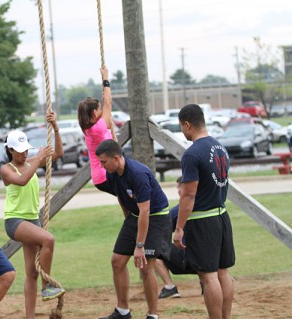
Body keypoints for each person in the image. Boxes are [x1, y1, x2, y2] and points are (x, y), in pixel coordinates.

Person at [96, 139, 171, 319]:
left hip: (155, 217)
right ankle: (123, 311)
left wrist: (139, 245)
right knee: (117, 261)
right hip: (135, 216)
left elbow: (146, 210)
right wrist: (128, 220)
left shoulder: (138, 174)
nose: (102, 166)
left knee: (145, 267)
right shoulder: (113, 172)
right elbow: (122, 197)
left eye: (104, 162)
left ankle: (153, 314)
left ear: (116, 158)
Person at [0, 112, 65, 319]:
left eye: (26, 150)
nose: (24, 154)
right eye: (19, 151)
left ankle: (30, 316)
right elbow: (21, 181)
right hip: (15, 221)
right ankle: (47, 287)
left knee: (31, 273)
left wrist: (55, 128)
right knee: (49, 239)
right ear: (10, 150)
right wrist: (38, 158)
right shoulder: (6, 169)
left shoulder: (31, 163)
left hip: (32, 220)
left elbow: (59, 153)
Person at [174, 104, 235, 319]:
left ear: (187, 124)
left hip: (203, 221)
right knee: (223, 273)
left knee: (209, 277)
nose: (182, 131)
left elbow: (188, 196)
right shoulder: (220, 148)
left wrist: (179, 227)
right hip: (222, 216)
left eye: (182, 127)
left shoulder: (192, 154)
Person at [155, 177, 198, 299]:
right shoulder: (207, 205)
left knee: (151, 248)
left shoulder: (177, 211)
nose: (178, 190)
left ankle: (170, 287)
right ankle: (207, 282)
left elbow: (161, 231)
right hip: (208, 261)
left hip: (187, 259)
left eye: (180, 187)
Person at [77, 66, 114, 195]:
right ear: (94, 112)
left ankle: (130, 215)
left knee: (125, 197)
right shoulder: (97, 129)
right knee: (132, 195)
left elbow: (107, 107)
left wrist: (105, 98)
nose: (101, 110)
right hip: (105, 175)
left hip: (100, 176)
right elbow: (108, 104)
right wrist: (105, 78)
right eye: (99, 108)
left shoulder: (89, 128)